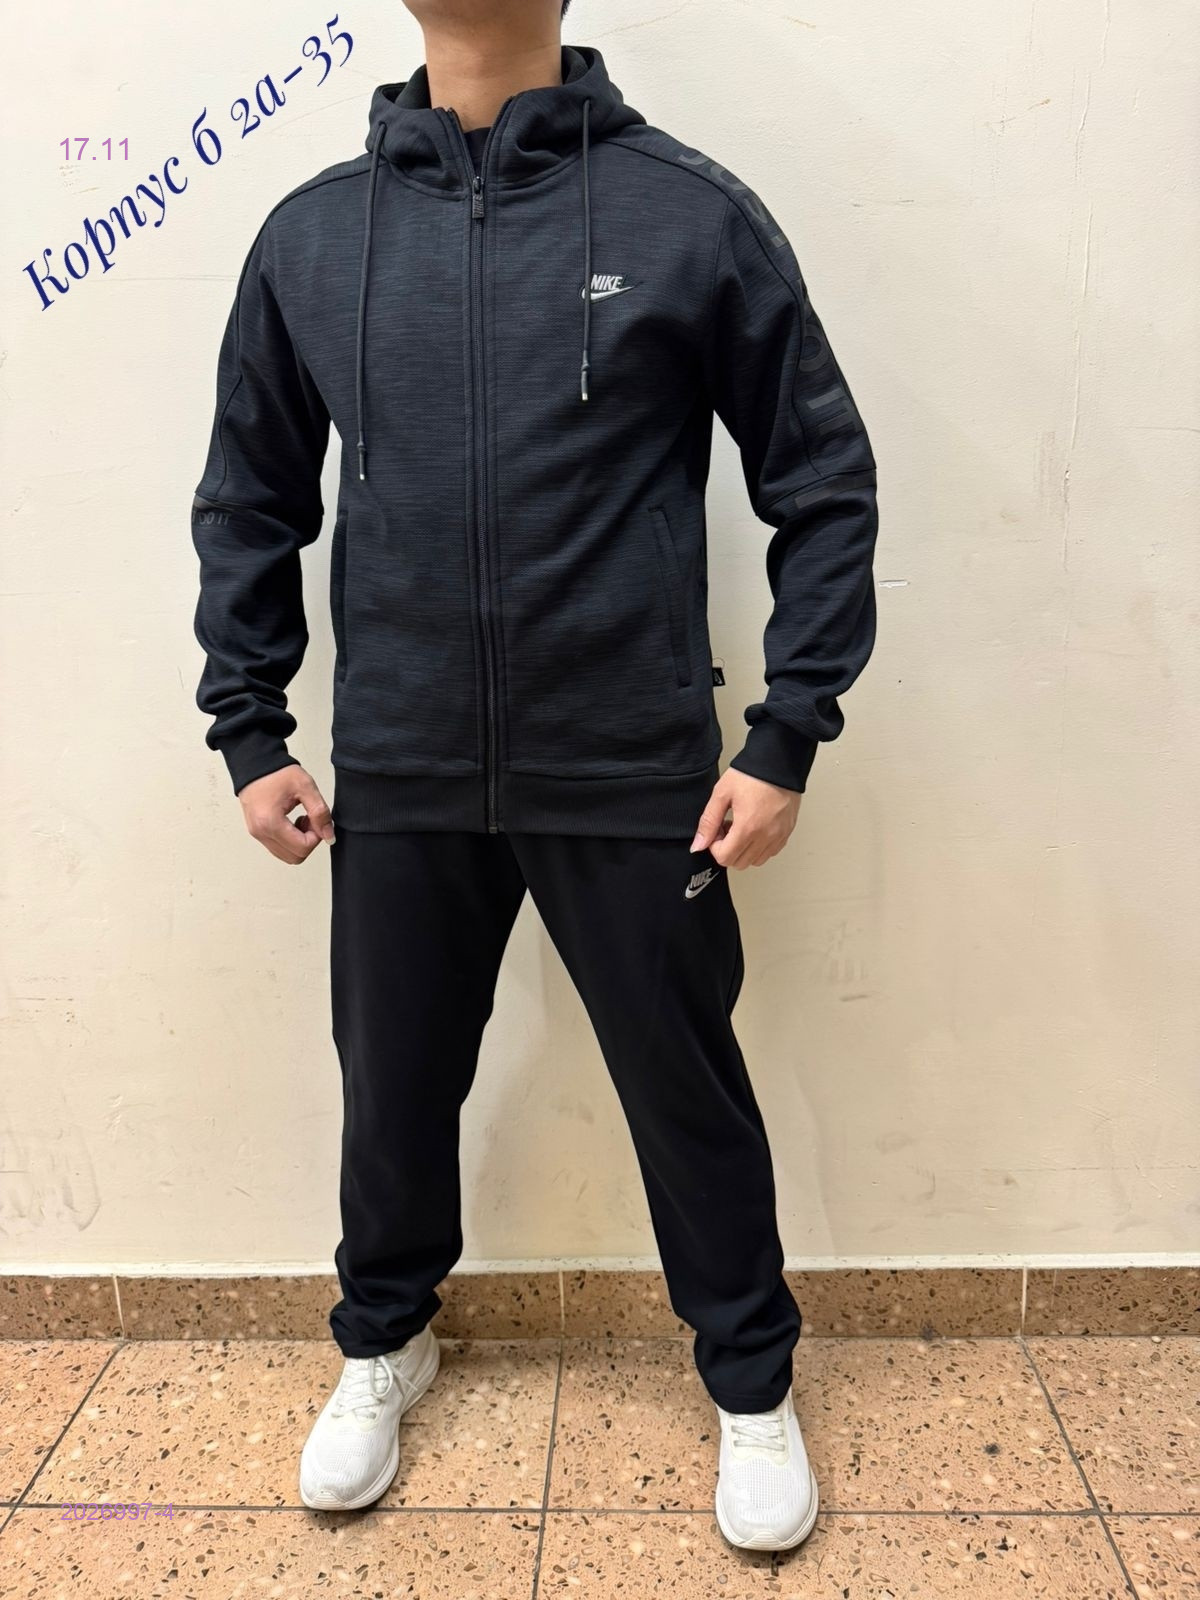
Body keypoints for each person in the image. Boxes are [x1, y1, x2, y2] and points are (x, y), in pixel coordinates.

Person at [189, 0, 878, 1554]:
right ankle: (384, 1340)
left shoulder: (686, 214)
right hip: (402, 757)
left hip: (632, 758)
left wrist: (788, 730)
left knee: (684, 1087)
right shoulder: (315, 234)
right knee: (394, 1082)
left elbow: (823, 481)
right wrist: (250, 722)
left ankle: (750, 1379)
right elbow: (249, 493)